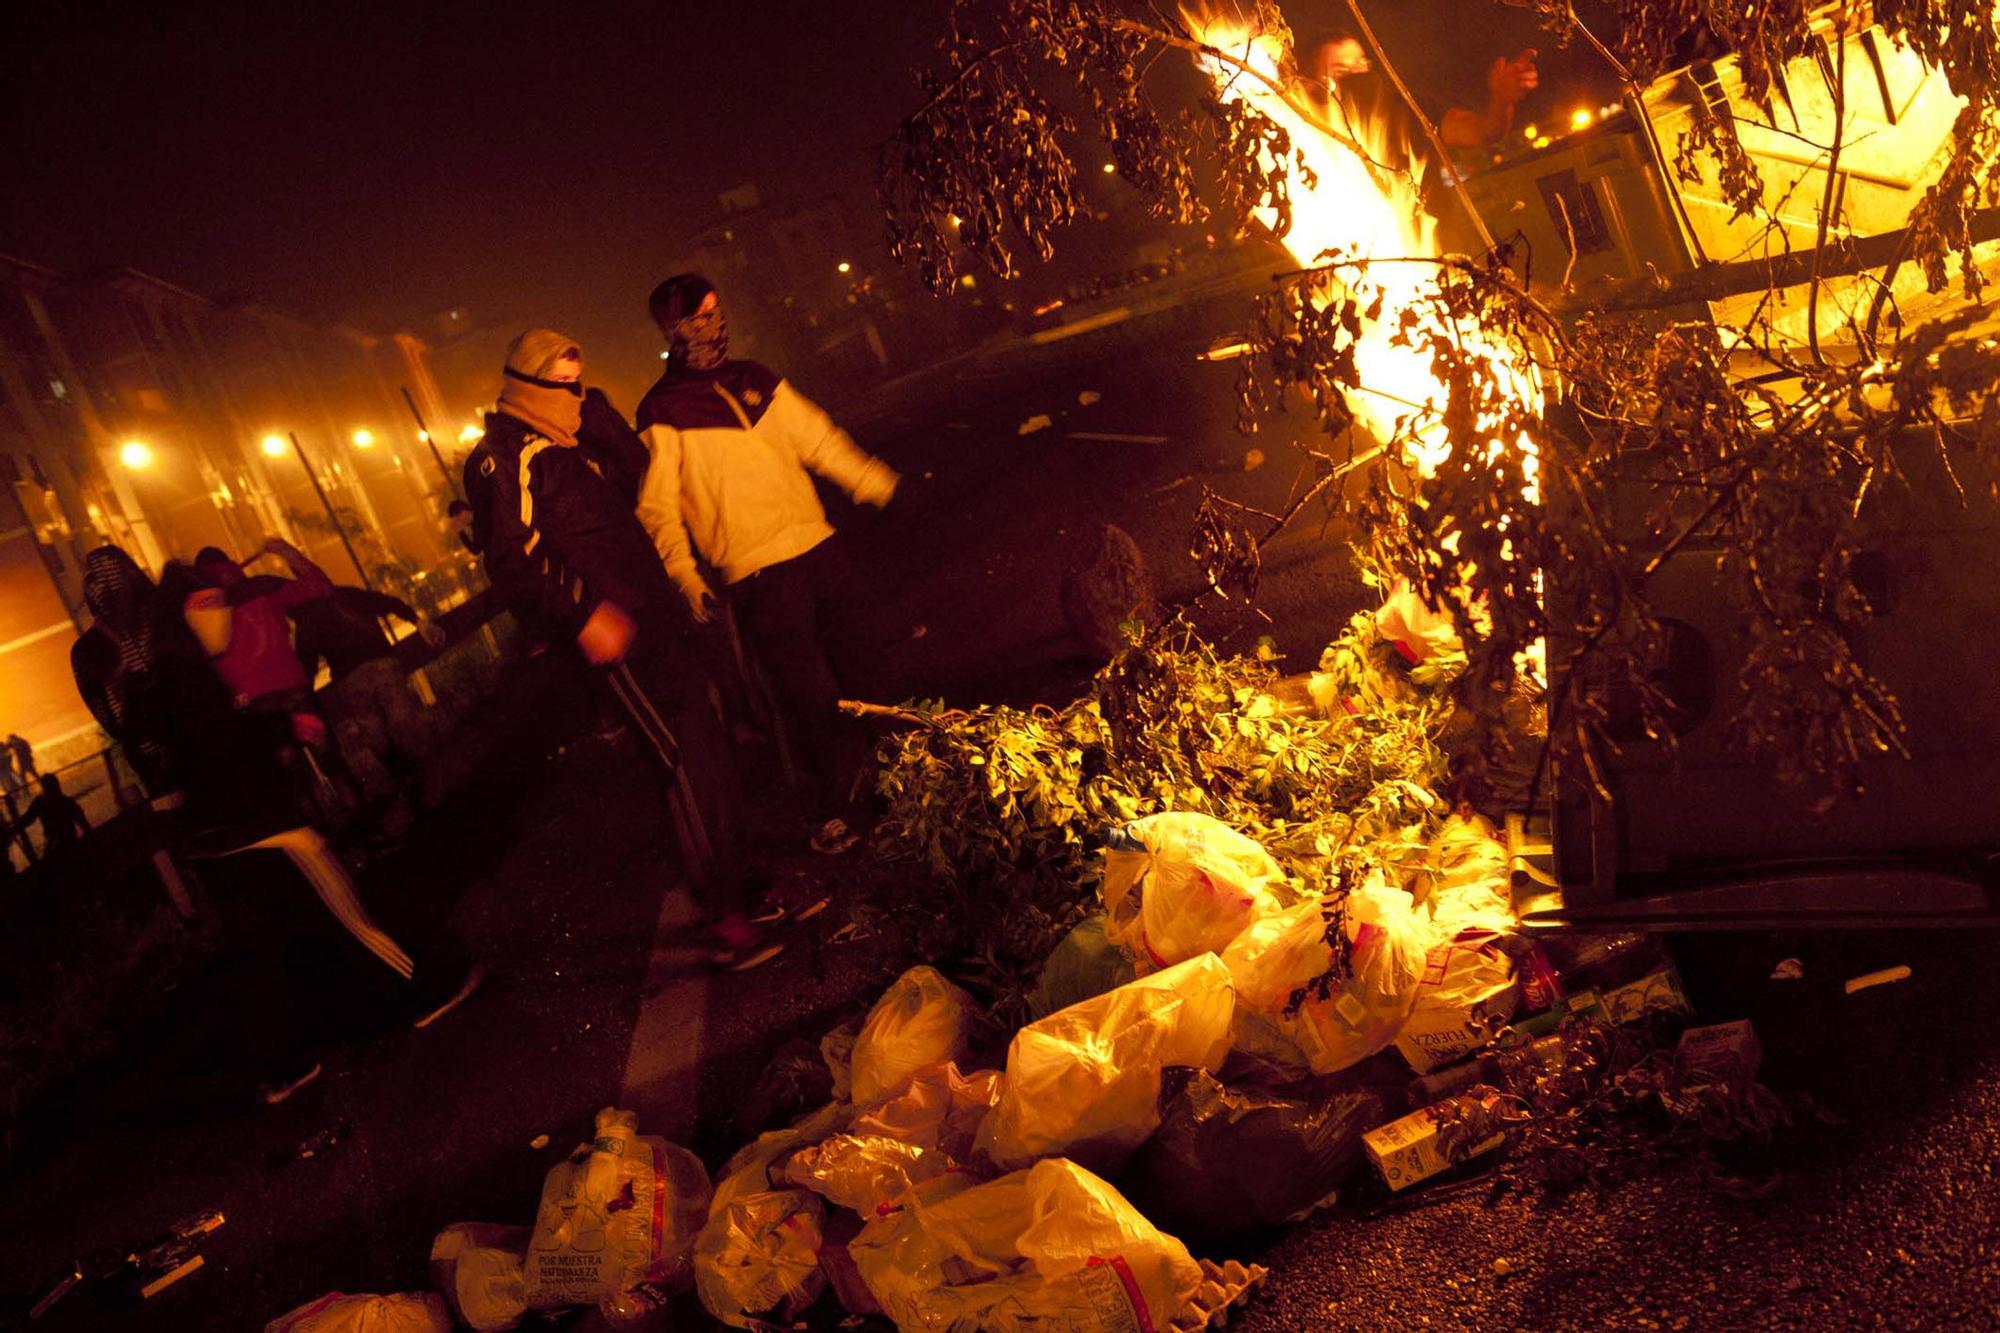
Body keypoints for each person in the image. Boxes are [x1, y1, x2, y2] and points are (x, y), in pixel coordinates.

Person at [71, 545, 479, 1102]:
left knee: (265, 947)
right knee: (347, 911)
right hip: (255, 818)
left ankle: (281, 1067)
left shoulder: (143, 682)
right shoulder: (183, 674)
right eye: (205, 603)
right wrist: (282, 732)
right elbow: (219, 744)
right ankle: (422, 992)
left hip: (208, 834)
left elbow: (157, 743)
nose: (218, 614)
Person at [463, 329, 767, 965]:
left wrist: (600, 420)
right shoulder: (507, 455)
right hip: (615, 637)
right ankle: (723, 916)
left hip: (656, 621)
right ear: (531, 386)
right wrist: (584, 617)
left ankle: (740, 888)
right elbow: (513, 563)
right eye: (566, 384)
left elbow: (644, 479)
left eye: (582, 380)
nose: (577, 393)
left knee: (708, 750)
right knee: (681, 762)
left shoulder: (571, 443)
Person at [635, 275, 899, 853]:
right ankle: (823, 810)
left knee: (871, 669)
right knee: (802, 700)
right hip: (757, 573)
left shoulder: (756, 379)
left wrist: (870, 480)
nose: (715, 325)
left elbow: (817, 440)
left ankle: (906, 779)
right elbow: (657, 508)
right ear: (674, 331)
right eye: (700, 318)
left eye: (717, 311)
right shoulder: (662, 410)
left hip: (819, 548)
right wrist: (684, 574)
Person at [291, 583, 445, 837]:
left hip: (352, 681)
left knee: (377, 736)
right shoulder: (348, 596)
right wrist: (420, 623)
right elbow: (390, 603)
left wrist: (300, 698)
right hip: (382, 665)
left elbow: (306, 664)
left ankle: (408, 785)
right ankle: (422, 784)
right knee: (403, 723)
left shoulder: (307, 617)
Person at [21, 773, 89, 853]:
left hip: (57, 845)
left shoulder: (41, 803)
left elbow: (27, 818)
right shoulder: (65, 802)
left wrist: (12, 830)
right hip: (68, 843)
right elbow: (84, 824)